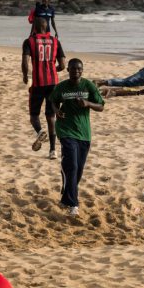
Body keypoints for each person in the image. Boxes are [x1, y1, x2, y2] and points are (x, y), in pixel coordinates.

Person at [49, 59, 105, 217]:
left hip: (84, 133)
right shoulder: (62, 87)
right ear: (68, 69)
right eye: (73, 69)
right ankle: (73, 205)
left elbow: (101, 106)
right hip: (66, 130)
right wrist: (57, 111)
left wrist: (87, 103)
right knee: (72, 165)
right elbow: (53, 100)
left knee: (78, 169)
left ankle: (66, 196)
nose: (76, 72)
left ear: (82, 70)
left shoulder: (88, 86)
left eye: (79, 69)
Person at [22, 17, 66, 159]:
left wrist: (25, 76)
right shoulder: (55, 41)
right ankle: (53, 151)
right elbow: (63, 65)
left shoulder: (29, 41)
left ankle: (40, 131)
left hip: (38, 84)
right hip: (53, 83)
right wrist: (54, 69)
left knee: (34, 114)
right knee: (51, 116)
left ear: (34, 28)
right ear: (47, 28)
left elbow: (25, 63)